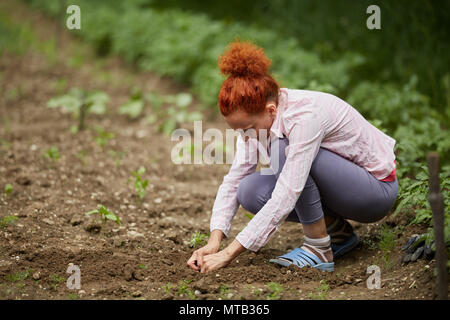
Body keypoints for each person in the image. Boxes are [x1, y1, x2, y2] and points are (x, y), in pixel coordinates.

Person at [187, 39, 398, 273]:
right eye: (237, 130)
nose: (243, 137)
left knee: (281, 152)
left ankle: (319, 248)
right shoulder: (258, 124)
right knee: (248, 190)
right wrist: (214, 241)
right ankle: (338, 234)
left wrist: (229, 254)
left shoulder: (304, 118)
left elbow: (288, 192)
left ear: (270, 111)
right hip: (341, 186)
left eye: (246, 129)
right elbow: (234, 179)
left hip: (373, 192)